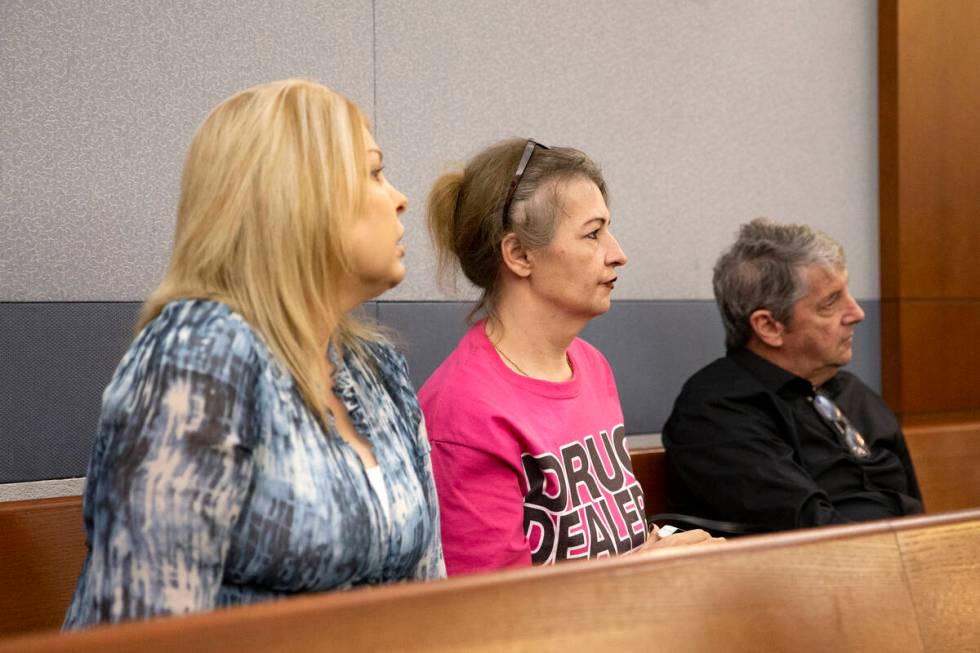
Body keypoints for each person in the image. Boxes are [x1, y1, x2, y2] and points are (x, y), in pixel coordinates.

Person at [64, 79, 445, 628]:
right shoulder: (200, 352)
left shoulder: (377, 370)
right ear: (297, 195)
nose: (400, 197)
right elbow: (147, 634)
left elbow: (430, 600)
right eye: (374, 172)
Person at [421, 139, 716, 576]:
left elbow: (611, 550)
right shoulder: (463, 411)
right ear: (519, 255)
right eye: (593, 233)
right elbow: (491, 615)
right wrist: (639, 575)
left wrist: (663, 553)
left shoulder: (590, 364)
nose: (618, 253)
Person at [663, 218, 923, 532]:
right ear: (770, 327)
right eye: (830, 302)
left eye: (847, 292)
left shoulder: (853, 392)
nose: (857, 313)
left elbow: (915, 507)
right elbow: (810, 534)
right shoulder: (718, 411)